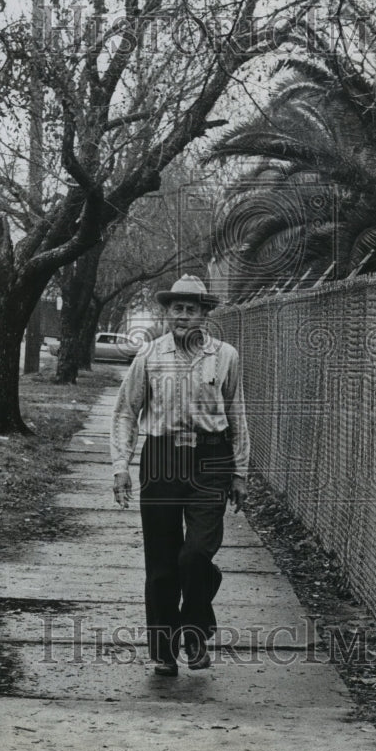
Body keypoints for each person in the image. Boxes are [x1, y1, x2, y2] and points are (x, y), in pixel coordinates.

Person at [110, 275, 250, 677]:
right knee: (162, 563)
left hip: (210, 459)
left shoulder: (225, 356)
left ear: (205, 313)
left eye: (192, 308)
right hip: (161, 460)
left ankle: (194, 630)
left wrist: (239, 472)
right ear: (167, 312)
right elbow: (125, 412)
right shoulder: (150, 355)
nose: (184, 315)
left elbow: (237, 413)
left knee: (197, 553)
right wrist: (121, 467)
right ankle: (164, 650)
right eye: (177, 308)